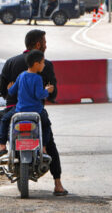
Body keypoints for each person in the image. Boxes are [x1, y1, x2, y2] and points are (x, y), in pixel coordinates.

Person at [0, 29, 68, 196]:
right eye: (44, 42)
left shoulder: (10, 62)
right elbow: (52, 94)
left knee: (1, 122)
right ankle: (58, 184)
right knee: (50, 141)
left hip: (13, 109)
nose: (46, 45)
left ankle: (2, 147)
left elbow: (4, 91)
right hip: (36, 111)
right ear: (38, 44)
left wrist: (11, 91)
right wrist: (48, 92)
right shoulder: (45, 65)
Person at [0, 50, 53, 155]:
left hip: (19, 110)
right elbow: (39, 95)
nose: (44, 65)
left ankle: (2, 145)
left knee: (5, 120)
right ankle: (43, 148)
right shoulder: (38, 78)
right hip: (36, 111)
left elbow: (11, 91)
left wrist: (9, 88)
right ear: (36, 64)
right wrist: (47, 90)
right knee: (46, 124)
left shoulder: (21, 76)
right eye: (42, 62)